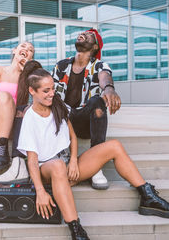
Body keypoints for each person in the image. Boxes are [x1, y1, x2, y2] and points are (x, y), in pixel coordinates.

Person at [17, 66, 169, 240]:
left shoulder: (57, 106)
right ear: (32, 91)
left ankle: (148, 196)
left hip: (67, 165)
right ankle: (76, 229)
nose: (52, 93)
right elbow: (32, 161)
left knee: (114, 146)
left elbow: (72, 137)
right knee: (57, 165)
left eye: (52, 88)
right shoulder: (30, 118)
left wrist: (73, 160)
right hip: (47, 170)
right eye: (46, 90)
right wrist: (40, 191)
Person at [52, 28, 121, 190]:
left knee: (98, 102)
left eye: (89, 34)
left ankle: (95, 167)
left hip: (83, 121)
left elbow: (104, 75)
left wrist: (109, 88)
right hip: (62, 119)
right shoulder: (61, 65)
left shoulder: (99, 65)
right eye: (82, 32)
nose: (83, 33)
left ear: (95, 46)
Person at [0, 42, 34, 174]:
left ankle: (1, 150)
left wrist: (26, 73)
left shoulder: (27, 77)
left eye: (30, 50)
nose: (26, 50)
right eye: (23, 47)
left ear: (30, 58)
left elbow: (27, 104)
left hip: (13, 122)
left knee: (3, 96)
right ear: (14, 50)